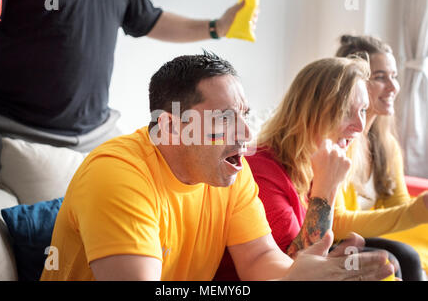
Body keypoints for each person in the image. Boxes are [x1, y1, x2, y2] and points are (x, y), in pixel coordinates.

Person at [40, 52, 393, 281]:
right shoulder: (118, 175)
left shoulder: (229, 172)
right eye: (225, 118)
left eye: (244, 116)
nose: (246, 134)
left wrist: (298, 276)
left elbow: (258, 258)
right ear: (170, 127)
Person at [0, 0, 249, 177]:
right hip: (19, 130)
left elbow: (150, 20)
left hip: (97, 130)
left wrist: (216, 27)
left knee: (155, 176)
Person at [214, 56, 385, 280]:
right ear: (309, 113)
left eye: (363, 110)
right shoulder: (261, 171)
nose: (360, 125)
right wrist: (326, 189)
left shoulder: (315, 160)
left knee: (392, 258)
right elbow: (293, 269)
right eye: (345, 111)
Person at [333, 34, 428, 281]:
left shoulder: (388, 146)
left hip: (380, 235)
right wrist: (413, 213)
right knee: (403, 257)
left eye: (393, 76)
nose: (393, 87)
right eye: (380, 77)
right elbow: (337, 224)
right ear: (353, 83)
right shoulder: (337, 144)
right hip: (349, 239)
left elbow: (399, 207)